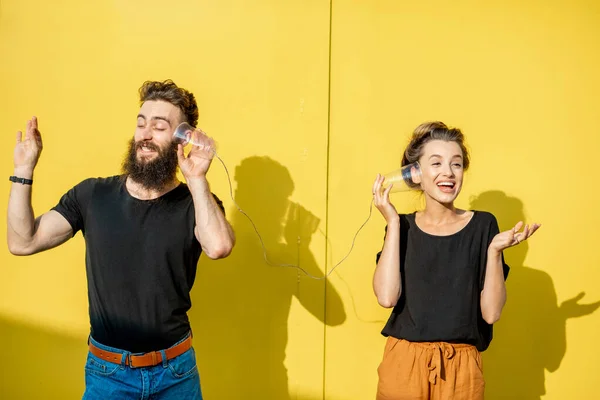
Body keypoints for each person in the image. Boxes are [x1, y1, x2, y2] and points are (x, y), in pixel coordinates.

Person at [7, 79, 235, 399]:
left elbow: (219, 246)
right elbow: (22, 242)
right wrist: (24, 169)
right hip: (108, 374)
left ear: (183, 138)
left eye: (159, 126)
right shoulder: (92, 195)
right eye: (141, 124)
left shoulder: (196, 203)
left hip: (176, 374)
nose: (145, 134)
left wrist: (197, 179)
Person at [372, 121, 540, 400]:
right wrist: (392, 221)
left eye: (456, 164)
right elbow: (387, 297)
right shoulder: (401, 226)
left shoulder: (484, 226)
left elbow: (491, 314)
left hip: (461, 370)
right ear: (415, 174)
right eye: (436, 164)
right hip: (403, 364)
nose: (448, 173)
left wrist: (494, 252)